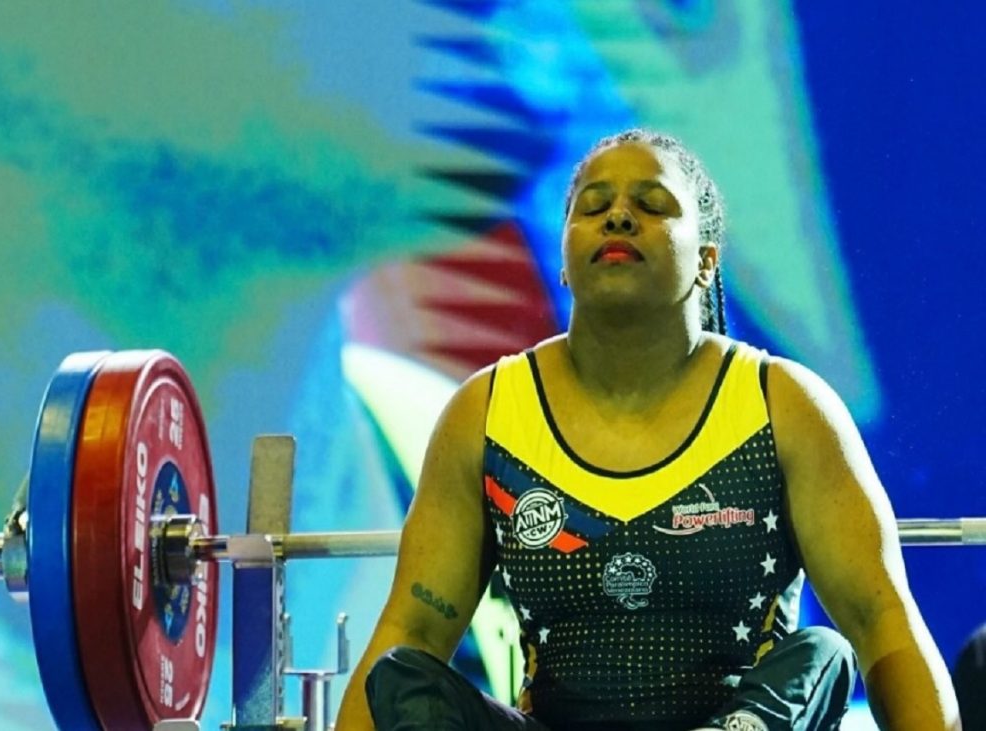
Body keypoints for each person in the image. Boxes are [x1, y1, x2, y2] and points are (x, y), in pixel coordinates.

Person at [334, 129, 960, 730]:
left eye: (652, 205)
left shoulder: (787, 406)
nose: (619, 217)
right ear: (564, 259)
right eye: (594, 206)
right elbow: (413, 628)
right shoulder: (486, 412)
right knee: (400, 676)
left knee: (824, 655)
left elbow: (882, 622)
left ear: (707, 261)